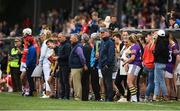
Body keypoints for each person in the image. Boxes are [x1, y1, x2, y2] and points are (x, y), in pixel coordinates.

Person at [122, 34, 142, 102]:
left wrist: (125, 62)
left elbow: (132, 58)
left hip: (134, 65)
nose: (127, 41)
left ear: (131, 40)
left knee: (129, 82)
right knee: (133, 83)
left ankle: (134, 98)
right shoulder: (134, 46)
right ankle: (135, 98)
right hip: (135, 65)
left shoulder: (135, 47)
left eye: (128, 40)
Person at [69, 34, 87, 101]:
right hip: (74, 67)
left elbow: (82, 57)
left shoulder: (78, 47)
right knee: (74, 82)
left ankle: (78, 97)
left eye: (71, 38)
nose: (70, 39)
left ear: (76, 38)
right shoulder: (75, 46)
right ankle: (76, 96)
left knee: (77, 83)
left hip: (77, 67)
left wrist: (84, 64)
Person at [99, 28, 115, 101]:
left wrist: (107, 64)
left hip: (107, 65)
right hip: (102, 65)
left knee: (108, 82)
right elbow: (101, 53)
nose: (101, 34)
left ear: (107, 33)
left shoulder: (110, 42)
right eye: (101, 33)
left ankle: (110, 97)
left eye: (103, 33)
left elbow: (111, 55)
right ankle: (106, 97)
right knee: (105, 82)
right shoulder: (102, 42)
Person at [153, 29, 169, 101]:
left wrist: (154, 52)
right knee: (157, 80)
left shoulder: (158, 44)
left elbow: (155, 54)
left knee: (161, 80)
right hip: (163, 64)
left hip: (158, 64)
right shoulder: (166, 43)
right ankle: (155, 96)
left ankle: (165, 96)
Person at [58, 33, 71, 100]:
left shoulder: (67, 45)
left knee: (65, 81)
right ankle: (62, 95)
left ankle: (67, 96)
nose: (59, 38)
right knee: (61, 81)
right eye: (58, 37)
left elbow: (67, 56)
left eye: (60, 37)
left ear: (64, 37)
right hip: (61, 65)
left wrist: (58, 57)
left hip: (66, 65)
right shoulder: (60, 45)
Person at [143, 33, 155, 102]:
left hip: (146, 65)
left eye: (147, 37)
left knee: (148, 82)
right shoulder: (153, 45)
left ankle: (150, 96)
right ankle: (147, 96)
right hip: (151, 65)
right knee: (151, 82)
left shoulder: (147, 45)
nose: (145, 38)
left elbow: (143, 57)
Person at [81, 33, 92, 101]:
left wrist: (84, 65)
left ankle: (84, 97)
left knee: (84, 81)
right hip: (88, 66)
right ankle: (85, 96)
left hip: (86, 66)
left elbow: (84, 58)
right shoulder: (89, 46)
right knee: (86, 81)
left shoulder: (85, 47)